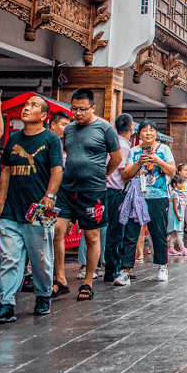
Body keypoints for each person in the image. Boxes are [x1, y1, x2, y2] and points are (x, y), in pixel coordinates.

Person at [0, 96, 63, 323]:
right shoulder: (13, 138)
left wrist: (49, 195)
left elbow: (57, 171)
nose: (27, 108)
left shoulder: (51, 140)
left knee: (41, 258)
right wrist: (1, 204)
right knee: (9, 259)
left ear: (43, 116)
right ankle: (6, 304)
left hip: (39, 211)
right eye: (26, 105)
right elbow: (5, 171)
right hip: (11, 211)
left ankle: (43, 295)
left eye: (34, 106)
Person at [53, 89, 121, 302]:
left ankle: (88, 281)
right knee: (56, 231)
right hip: (67, 188)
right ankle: (60, 279)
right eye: (74, 109)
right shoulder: (70, 129)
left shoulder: (105, 128)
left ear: (93, 108)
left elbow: (116, 158)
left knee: (92, 237)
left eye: (83, 109)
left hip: (93, 192)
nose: (78, 113)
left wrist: (104, 174)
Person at [116, 120, 175, 285]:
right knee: (131, 233)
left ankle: (162, 265)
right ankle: (125, 270)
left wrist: (158, 161)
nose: (148, 133)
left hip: (159, 196)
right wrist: (138, 163)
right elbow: (125, 174)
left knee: (158, 232)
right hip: (137, 196)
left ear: (156, 133)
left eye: (152, 130)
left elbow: (172, 171)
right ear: (138, 133)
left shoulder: (164, 149)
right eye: (144, 131)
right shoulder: (134, 151)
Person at [103, 114, 133, 283]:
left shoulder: (112, 142)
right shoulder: (125, 147)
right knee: (116, 231)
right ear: (131, 129)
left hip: (106, 190)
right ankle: (112, 268)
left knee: (107, 230)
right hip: (115, 192)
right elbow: (124, 173)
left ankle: (110, 266)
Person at [167, 172, 187, 256]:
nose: (181, 185)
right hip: (176, 215)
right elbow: (175, 206)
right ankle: (182, 248)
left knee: (174, 233)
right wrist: (178, 215)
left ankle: (171, 248)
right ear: (174, 184)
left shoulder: (174, 193)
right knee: (179, 232)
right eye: (180, 183)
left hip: (174, 215)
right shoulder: (175, 193)